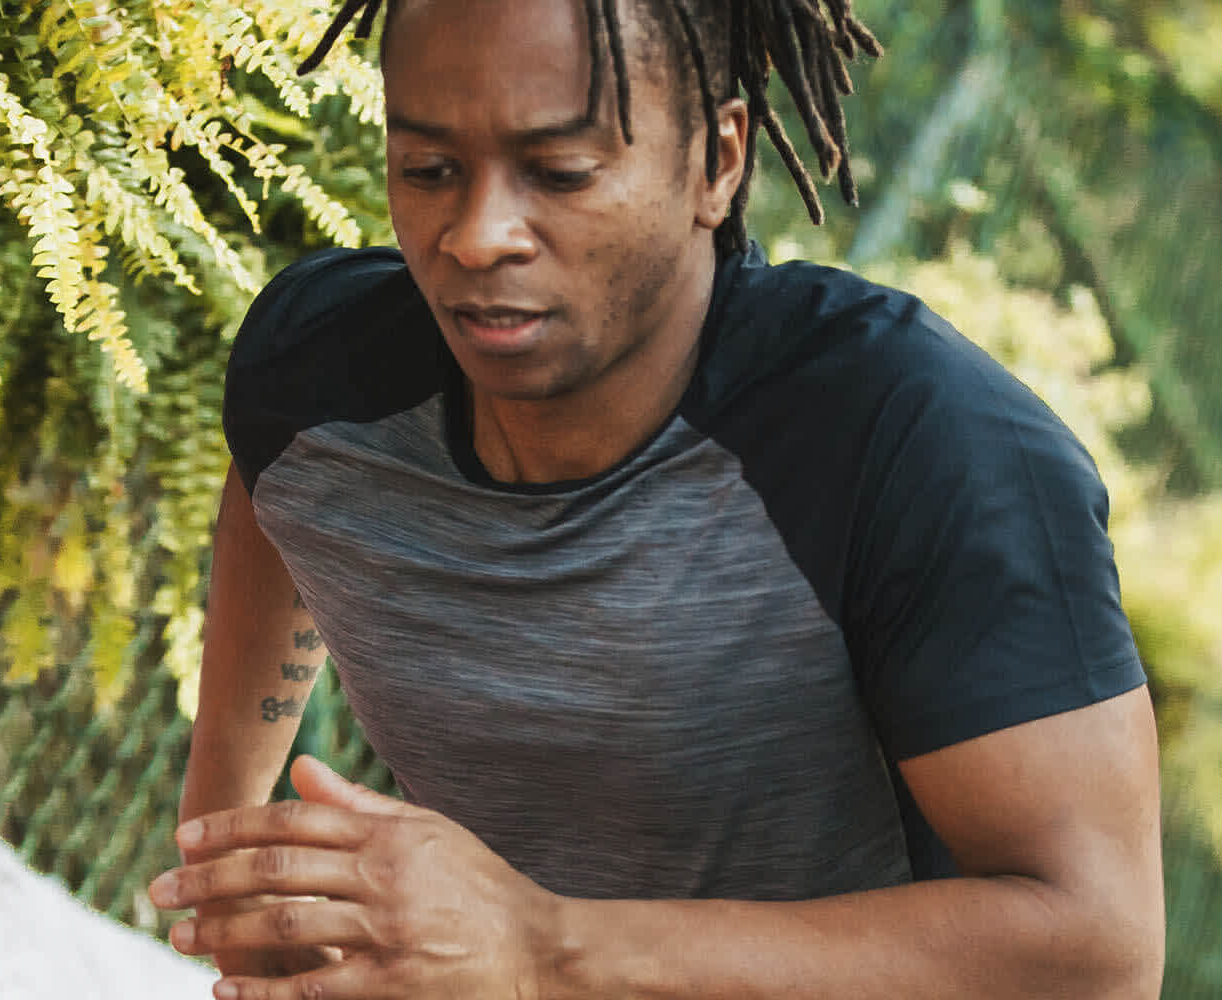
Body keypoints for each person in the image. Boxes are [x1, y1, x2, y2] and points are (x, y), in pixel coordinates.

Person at [151, 0, 1165, 996]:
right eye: (428, 169)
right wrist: (228, 851)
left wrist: (544, 948)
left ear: (716, 161)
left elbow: (1096, 950)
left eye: (559, 172)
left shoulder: (920, 442)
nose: (476, 235)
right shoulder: (320, 378)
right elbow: (278, 488)